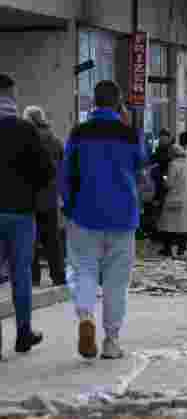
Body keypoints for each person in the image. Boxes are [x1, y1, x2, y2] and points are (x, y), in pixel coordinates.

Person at [61, 80, 146, 360]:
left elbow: (66, 174)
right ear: (118, 102)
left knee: (84, 270)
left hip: (85, 215)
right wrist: (129, 124)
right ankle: (111, 341)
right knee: (116, 282)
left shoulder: (79, 133)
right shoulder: (129, 134)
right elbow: (140, 165)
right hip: (123, 216)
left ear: (93, 102)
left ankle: (86, 316)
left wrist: (69, 208)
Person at [0, 73, 55, 356]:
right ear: (11, 95)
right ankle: (23, 333)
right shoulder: (25, 129)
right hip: (21, 213)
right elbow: (47, 171)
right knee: (21, 274)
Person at [23, 105, 66, 287]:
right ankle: (58, 276)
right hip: (50, 196)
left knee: (30, 240)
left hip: (29, 197)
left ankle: (34, 277)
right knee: (52, 240)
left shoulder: (26, 140)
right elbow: (63, 169)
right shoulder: (55, 141)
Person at [155, 144, 187, 258]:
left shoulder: (173, 164)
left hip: (174, 198)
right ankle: (182, 249)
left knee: (168, 225)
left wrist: (164, 179)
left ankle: (167, 249)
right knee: (184, 226)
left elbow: (169, 183)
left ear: (173, 154)